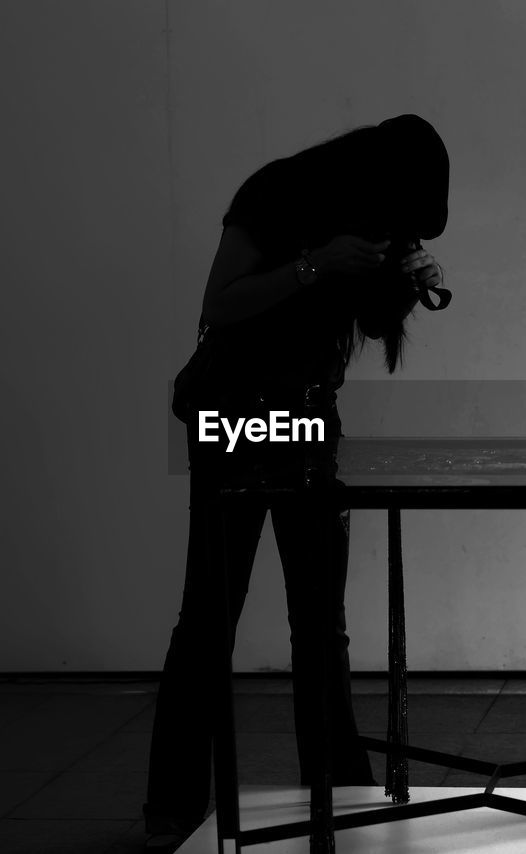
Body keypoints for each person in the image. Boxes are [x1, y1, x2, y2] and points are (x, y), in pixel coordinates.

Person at [144, 113, 450, 851]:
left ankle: (339, 796)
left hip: (310, 419)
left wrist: (405, 284)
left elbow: (375, 327)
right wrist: (314, 264)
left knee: (321, 625)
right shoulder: (277, 195)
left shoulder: (372, 221)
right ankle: (172, 810)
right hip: (235, 420)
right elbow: (218, 304)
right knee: (210, 618)